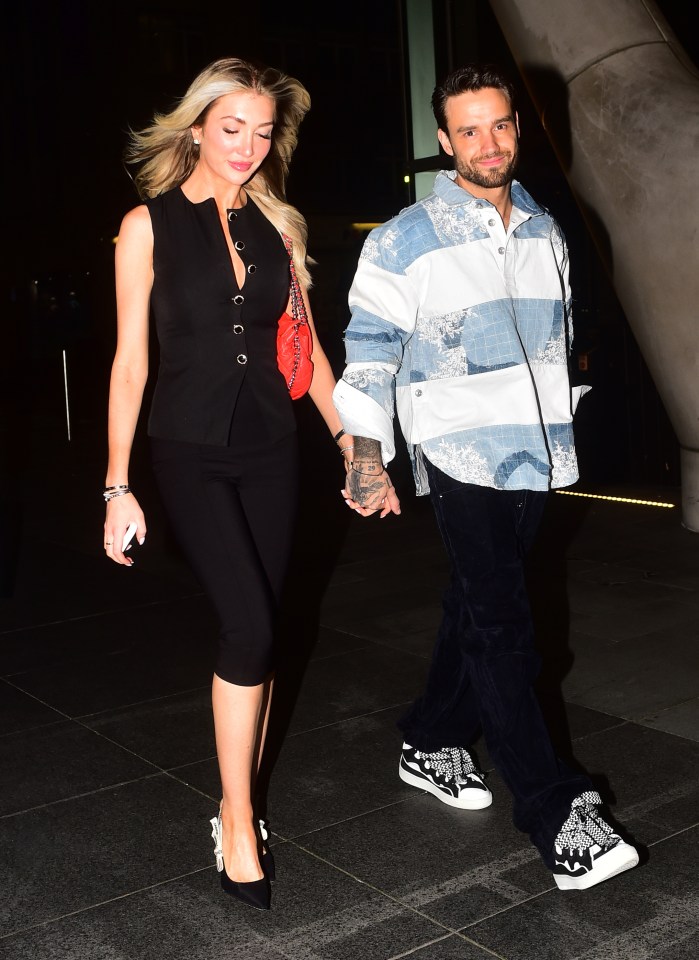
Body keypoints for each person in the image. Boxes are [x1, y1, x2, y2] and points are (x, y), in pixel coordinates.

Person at [333, 63, 639, 891]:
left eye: (498, 124)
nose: (486, 142)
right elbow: (369, 352)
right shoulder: (405, 238)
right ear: (444, 143)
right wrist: (368, 457)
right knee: (506, 625)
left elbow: (560, 336)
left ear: (516, 127)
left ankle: (431, 735)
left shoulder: (543, 229)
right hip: (459, 451)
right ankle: (554, 809)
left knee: (476, 605)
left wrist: (567, 415)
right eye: (467, 130)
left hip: (536, 452)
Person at [103, 57, 351, 911]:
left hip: (272, 449)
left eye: (262, 129)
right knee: (246, 623)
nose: (248, 145)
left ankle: (235, 802)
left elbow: (309, 355)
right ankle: (238, 820)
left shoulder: (278, 227)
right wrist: (116, 485)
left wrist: (354, 447)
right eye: (231, 126)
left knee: (265, 631)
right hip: (189, 447)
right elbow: (131, 361)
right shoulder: (148, 226)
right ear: (198, 127)